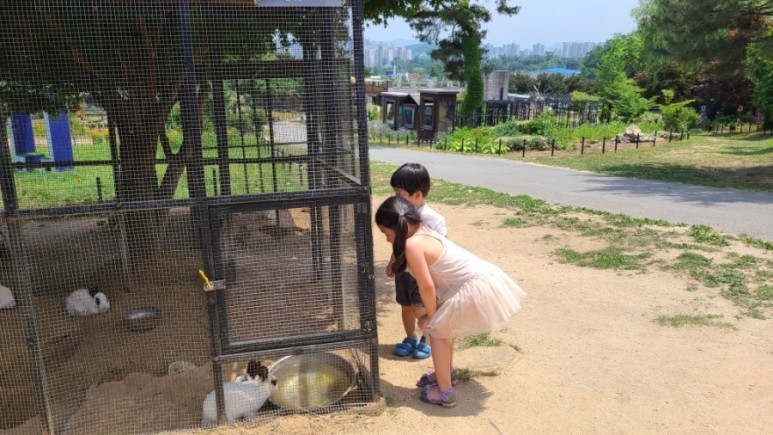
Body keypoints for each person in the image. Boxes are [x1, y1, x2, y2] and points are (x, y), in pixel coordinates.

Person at [375, 196, 526, 407]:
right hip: (479, 278)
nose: (387, 240)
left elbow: (426, 286)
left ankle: (445, 392)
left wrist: (432, 315)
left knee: (436, 331)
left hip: (473, 287)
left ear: (398, 228)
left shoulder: (412, 245)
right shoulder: (423, 230)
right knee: (443, 330)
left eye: (386, 234)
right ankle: (444, 374)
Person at [388, 163, 447, 360]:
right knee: (405, 306)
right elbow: (398, 242)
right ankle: (410, 337)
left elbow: (441, 248)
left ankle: (426, 339)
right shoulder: (401, 214)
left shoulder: (432, 219)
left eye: (400, 193)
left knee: (421, 308)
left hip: (422, 275)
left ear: (417, 195)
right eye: (395, 192)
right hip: (404, 271)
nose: (396, 197)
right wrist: (393, 261)